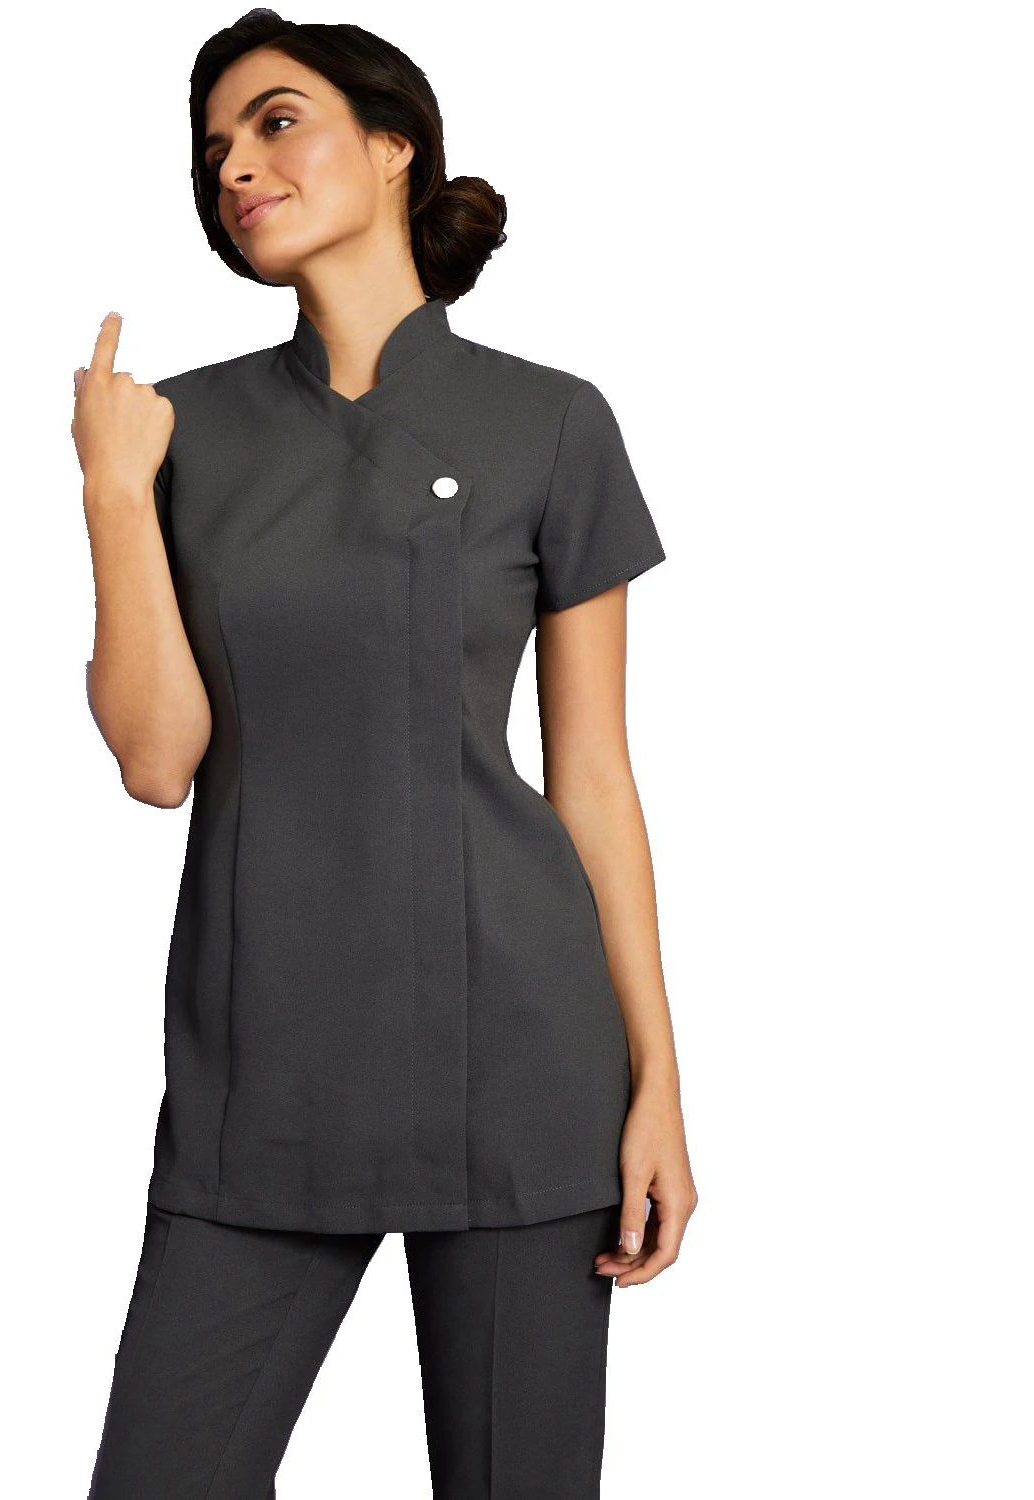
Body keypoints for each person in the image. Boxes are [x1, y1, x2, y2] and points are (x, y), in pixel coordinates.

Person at [70, 11, 696, 1497]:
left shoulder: (552, 424)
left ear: (394, 144)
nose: (236, 165)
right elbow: (158, 760)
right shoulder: (177, 432)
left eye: (276, 122)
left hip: (523, 1063)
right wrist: (110, 493)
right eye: (215, 149)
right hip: (263, 1064)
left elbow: (593, 780)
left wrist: (658, 1083)